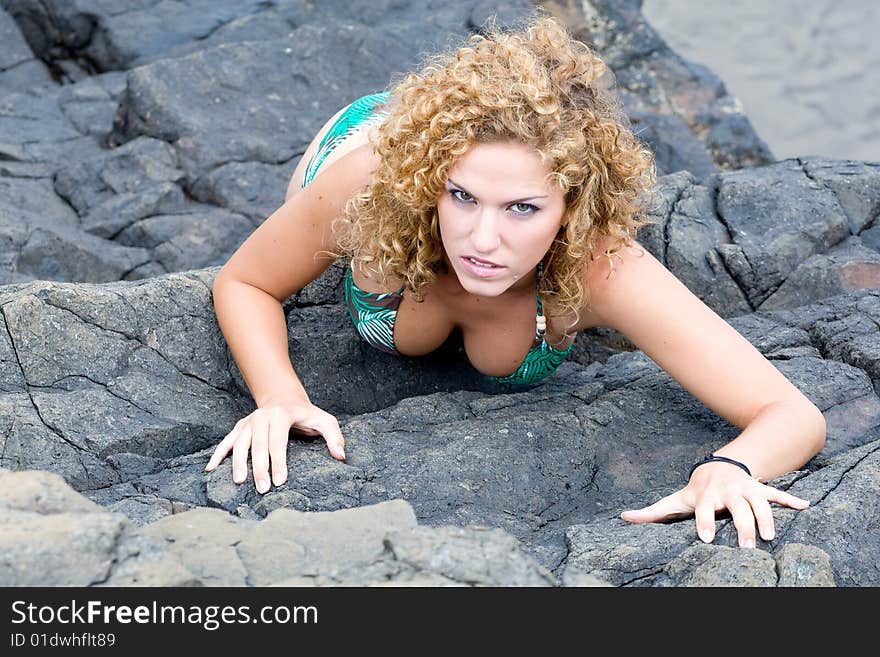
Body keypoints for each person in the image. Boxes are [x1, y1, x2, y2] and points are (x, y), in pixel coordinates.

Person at [205, 13, 826, 550]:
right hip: (369, 138)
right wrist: (279, 397)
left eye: (522, 209)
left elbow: (789, 413)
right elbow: (245, 282)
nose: (481, 239)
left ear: (573, 209)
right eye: (463, 198)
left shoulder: (600, 263)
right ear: (435, 183)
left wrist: (730, 467)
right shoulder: (373, 192)